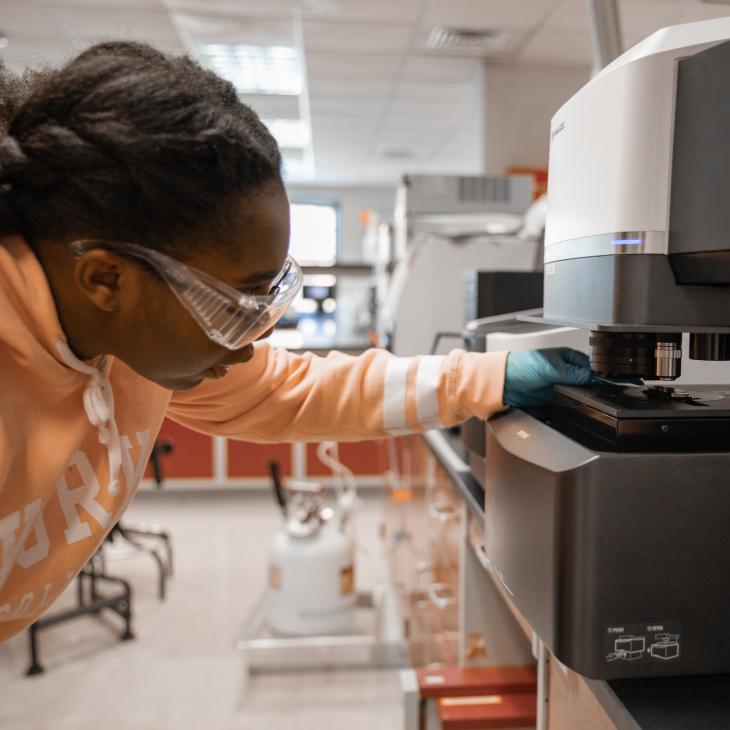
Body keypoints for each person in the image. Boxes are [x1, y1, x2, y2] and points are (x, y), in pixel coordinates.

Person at [0, 42, 593, 641]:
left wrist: (491, 376)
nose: (247, 346)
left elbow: (291, 387)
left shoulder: (125, 343)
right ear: (105, 278)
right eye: (229, 307)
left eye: (265, 302)